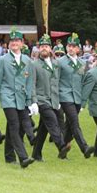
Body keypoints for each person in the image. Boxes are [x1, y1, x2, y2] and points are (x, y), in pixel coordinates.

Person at [0, 27, 35, 168]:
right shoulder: (3, 60)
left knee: (14, 127)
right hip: (8, 97)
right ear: (9, 44)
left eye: (17, 40)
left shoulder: (27, 60)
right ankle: (23, 157)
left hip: (21, 98)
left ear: (22, 43)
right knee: (15, 125)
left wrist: (31, 101)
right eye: (12, 40)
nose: (14, 43)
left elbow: (29, 83)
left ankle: (9, 156)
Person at [31, 34, 71, 162]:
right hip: (41, 99)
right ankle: (61, 146)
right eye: (42, 46)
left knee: (43, 128)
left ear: (50, 48)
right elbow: (31, 84)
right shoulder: (34, 64)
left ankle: (36, 154)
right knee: (52, 121)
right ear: (39, 49)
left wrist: (58, 100)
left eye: (46, 46)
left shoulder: (56, 64)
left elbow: (57, 81)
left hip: (54, 100)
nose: (44, 48)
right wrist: (34, 101)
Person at [57, 33, 95, 158]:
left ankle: (63, 149)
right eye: (69, 46)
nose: (71, 48)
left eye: (74, 46)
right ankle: (84, 147)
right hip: (65, 96)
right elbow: (55, 80)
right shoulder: (60, 62)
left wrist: (84, 101)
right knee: (74, 122)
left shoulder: (82, 63)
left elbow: (84, 81)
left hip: (77, 97)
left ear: (78, 49)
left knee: (68, 126)